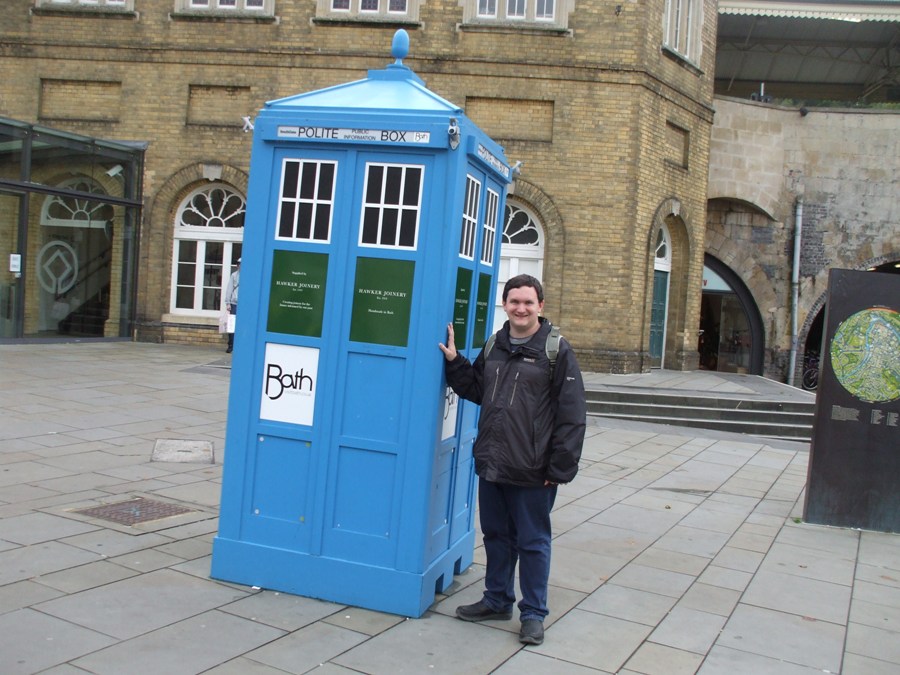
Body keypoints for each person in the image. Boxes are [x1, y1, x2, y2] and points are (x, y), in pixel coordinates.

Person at [438, 273, 586, 646]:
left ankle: (533, 614)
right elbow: (477, 388)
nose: (521, 308)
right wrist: (455, 362)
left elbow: (572, 415)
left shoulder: (556, 350)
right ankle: (497, 600)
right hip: (493, 462)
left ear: (540, 306)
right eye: (514, 301)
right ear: (505, 304)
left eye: (528, 302)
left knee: (532, 542)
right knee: (496, 536)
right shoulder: (495, 344)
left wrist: (559, 468)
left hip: (533, 468)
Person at [224, 258, 240, 353]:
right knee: (232, 325)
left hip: (245, 305)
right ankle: (231, 345)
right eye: (239, 264)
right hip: (234, 304)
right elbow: (229, 289)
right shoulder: (234, 275)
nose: (240, 266)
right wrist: (228, 303)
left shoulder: (250, 275)